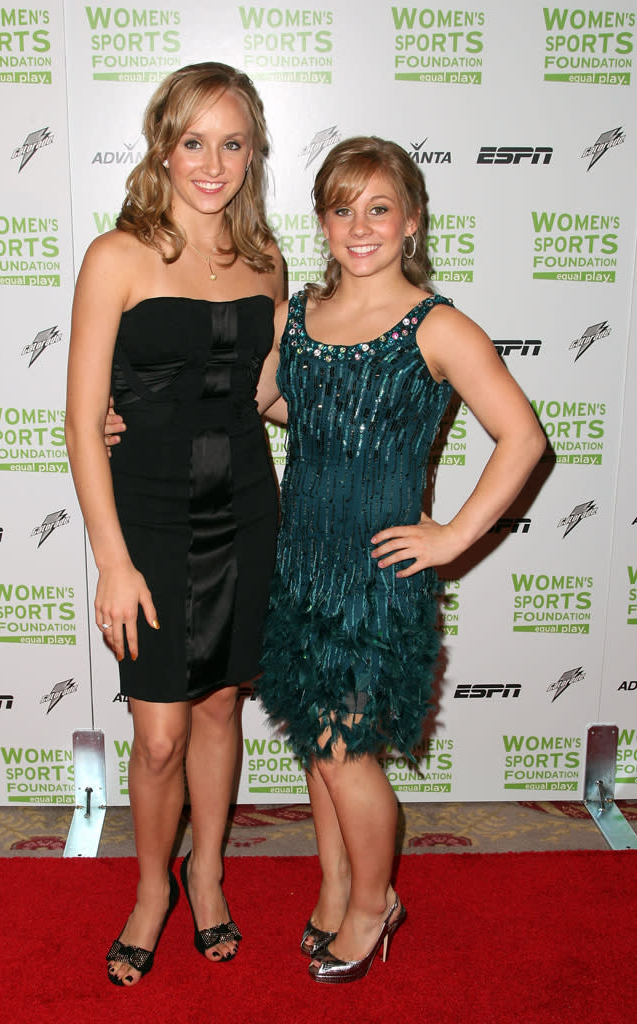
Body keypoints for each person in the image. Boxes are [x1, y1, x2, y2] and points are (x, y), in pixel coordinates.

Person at [253, 136, 547, 983]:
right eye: (341, 208)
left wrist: (453, 536)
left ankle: (375, 901)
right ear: (320, 220)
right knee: (317, 742)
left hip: (375, 585)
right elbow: (275, 405)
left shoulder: (438, 325)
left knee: (345, 752)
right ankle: (336, 884)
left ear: (411, 221)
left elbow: (522, 437)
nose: (359, 225)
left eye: (378, 207)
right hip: (299, 566)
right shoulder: (294, 316)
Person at [65, 62, 284, 987]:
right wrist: (112, 562)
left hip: (243, 507)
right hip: (146, 519)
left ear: (252, 155)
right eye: (194, 140)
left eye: (231, 143)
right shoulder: (116, 256)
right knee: (156, 734)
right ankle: (151, 886)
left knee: (221, 705)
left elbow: (268, 399)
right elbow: (82, 421)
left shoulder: (266, 262)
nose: (212, 162)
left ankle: (207, 873)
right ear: (163, 145)